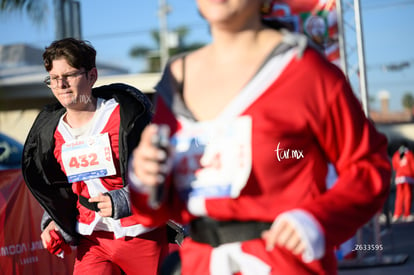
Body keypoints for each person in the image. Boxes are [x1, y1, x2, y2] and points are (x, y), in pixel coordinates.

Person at [128, 1, 391, 274]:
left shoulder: (305, 70)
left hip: (283, 263)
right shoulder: (176, 78)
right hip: (200, 263)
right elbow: (154, 210)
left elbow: (369, 167)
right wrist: (143, 179)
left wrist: (316, 220)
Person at [22, 38, 170, 275]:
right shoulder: (51, 133)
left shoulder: (126, 118)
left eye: (69, 75)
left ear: (92, 75)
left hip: (141, 233)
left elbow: (164, 170)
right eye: (53, 78)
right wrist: (53, 221)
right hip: (91, 239)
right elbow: (60, 187)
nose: (61, 85)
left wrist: (123, 200)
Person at [391, 141, 414, 222]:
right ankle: (406, 214)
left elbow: (394, 166)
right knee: (407, 196)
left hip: (399, 178)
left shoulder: (396, 154)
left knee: (399, 197)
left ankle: (397, 213)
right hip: (408, 178)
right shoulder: (410, 154)